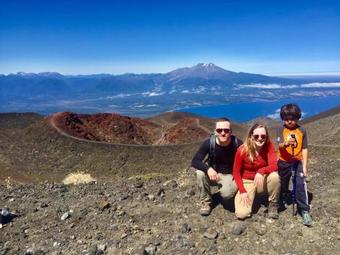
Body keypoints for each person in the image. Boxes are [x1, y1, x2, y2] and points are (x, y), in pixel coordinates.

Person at [191, 118, 242, 216]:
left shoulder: (237, 143)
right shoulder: (209, 143)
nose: (223, 133)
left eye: (226, 130)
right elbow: (195, 161)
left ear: (231, 132)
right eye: (219, 130)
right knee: (200, 173)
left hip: (229, 175)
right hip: (212, 174)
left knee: (226, 195)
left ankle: (225, 192)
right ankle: (206, 202)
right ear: (215, 131)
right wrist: (208, 169)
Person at [233, 123, 280, 219]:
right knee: (242, 214)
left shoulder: (269, 146)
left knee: (275, 176)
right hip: (247, 181)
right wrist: (242, 191)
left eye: (263, 136)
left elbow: (274, 165)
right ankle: (252, 197)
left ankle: (273, 204)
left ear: (266, 137)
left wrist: (261, 171)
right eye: (256, 136)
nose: (260, 138)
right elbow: (236, 172)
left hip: (262, 180)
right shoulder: (242, 150)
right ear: (251, 136)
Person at [277, 103, 312, 226]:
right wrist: (286, 143)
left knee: (300, 183)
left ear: (298, 118)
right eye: (286, 119)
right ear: (283, 119)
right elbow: (280, 145)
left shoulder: (302, 130)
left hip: (297, 161)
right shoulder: (281, 129)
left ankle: (304, 209)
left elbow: (305, 148)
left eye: (293, 119)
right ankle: (283, 197)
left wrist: (304, 165)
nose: (290, 121)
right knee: (283, 181)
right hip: (283, 161)